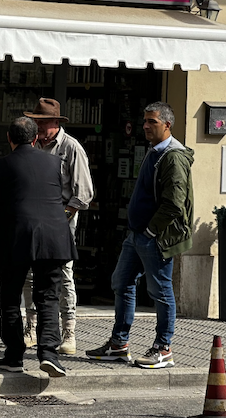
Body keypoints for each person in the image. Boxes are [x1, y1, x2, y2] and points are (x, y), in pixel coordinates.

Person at [86, 102, 194, 369]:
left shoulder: (173, 157)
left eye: (152, 122)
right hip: (137, 235)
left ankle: (163, 348)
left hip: (154, 237)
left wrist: (151, 230)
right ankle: (119, 344)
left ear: (167, 125)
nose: (145, 126)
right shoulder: (155, 151)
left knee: (161, 291)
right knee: (121, 283)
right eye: (145, 120)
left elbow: (174, 203)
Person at [0, 116, 78, 377]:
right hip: (53, 237)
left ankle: (14, 355)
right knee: (48, 296)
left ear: (9, 139)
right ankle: (49, 354)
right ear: (35, 138)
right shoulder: (54, 163)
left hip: (15, 238)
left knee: (9, 296)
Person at [21, 98, 94, 354]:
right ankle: (30, 329)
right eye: (35, 122)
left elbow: (83, 193)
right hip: (34, 220)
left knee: (63, 275)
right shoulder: (32, 145)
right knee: (30, 276)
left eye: (42, 123)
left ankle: (69, 333)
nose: (38, 127)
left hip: (61, 222)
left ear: (55, 122)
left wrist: (62, 216)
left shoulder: (71, 148)